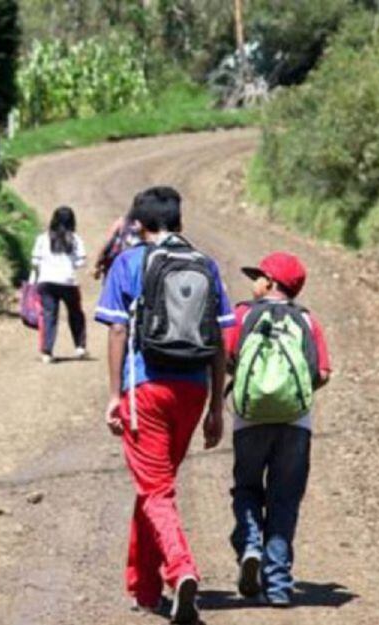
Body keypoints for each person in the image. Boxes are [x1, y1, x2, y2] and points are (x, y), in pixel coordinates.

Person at [95, 186, 235, 624]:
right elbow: (218, 341)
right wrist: (214, 406)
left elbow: (117, 332)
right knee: (153, 485)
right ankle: (144, 586)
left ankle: (181, 570)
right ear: (180, 222)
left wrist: (115, 395)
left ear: (138, 225)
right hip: (192, 391)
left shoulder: (128, 262)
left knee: (155, 489)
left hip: (146, 390)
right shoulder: (205, 264)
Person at [222, 252, 331, 607]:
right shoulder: (307, 321)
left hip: (250, 419)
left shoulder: (243, 315)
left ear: (270, 283)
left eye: (257, 276)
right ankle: (280, 585)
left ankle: (251, 545)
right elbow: (322, 373)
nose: (253, 282)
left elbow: (226, 359)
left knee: (248, 488)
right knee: (284, 498)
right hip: (295, 424)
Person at [30, 206, 88, 363]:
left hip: (46, 281)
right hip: (68, 281)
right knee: (75, 313)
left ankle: (47, 352)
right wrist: (69, 264)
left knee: (49, 316)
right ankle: (80, 347)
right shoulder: (75, 239)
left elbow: (35, 261)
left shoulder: (42, 238)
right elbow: (81, 261)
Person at [93, 211, 141, 281]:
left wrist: (97, 264)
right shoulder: (147, 228)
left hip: (114, 265)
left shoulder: (122, 222)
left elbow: (107, 243)